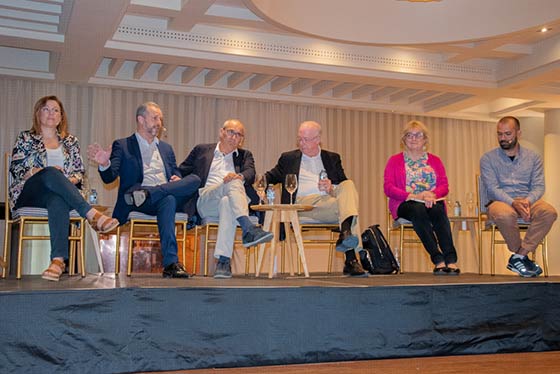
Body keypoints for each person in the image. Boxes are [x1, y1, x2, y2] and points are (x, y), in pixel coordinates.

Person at [8, 95, 119, 281]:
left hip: (58, 193)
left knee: (57, 198)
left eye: (55, 110)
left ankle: (58, 261)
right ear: (38, 114)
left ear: (61, 117)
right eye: (46, 109)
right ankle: (91, 214)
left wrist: (64, 180)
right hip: (30, 192)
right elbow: (17, 168)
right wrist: (42, 171)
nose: (51, 113)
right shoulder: (26, 138)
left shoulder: (71, 142)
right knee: (51, 173)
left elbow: (79, 173)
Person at [87, 102, 201, 278]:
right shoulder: (123, 145)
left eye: (160, 119)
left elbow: (174, 171)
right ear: (141, 119)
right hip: (136, 200)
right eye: (155, 118)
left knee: (194, 180)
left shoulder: (166, 148)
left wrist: (176, 178)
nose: (159, 122)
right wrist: (104, 164)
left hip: (156, 195)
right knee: (169, 198)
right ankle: (171, 263)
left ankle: (154, 193)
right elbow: (110, 177)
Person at [265, 120, 367, 276]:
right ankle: (353, 256)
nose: (301, 143)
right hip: (301, 206)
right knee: (349, 211)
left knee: (349, 186)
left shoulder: (332, 158)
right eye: (299, 139)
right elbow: (268, 177)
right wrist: (254, 183)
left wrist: (331, 187)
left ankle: (346, 234)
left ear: (318, 139)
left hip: (328, 204)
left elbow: (343, 188)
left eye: (306, 139)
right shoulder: (289, 158)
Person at [178, 119, 273, 279]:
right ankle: (247, 227)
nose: (234, 137)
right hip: (206, 200)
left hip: (231, 201)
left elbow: (250, 173)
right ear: (221, 132)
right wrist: (175, 177)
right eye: (231, 132)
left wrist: (238, 176)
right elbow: (182, 169)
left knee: (227, 201)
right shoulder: (202, 150)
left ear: (241, 140)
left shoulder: (245, 155)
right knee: (233, 184)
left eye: (239, 135)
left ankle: (223, 261)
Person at [480, 116, 557, 277]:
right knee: (505, 214)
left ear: (518, 133)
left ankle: (519, 256)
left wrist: (527, 201)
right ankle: (521, 257)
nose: (503, 138)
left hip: (528, 200)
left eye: (507, 134)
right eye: (499, 134)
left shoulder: (533, 157)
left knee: (549, 212)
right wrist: (513, 203)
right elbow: (493, 188)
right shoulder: (488, 158)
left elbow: (539, 186)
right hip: (500, 201)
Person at [384, 120, 460, 275]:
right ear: (404, 140)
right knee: (418, 209)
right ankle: (438, 259)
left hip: (431, 201)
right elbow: (388, 187)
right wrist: (413, 195)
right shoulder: (395, 160)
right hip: (405, 202)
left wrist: (432, 194)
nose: (413, 138)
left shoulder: (435, 160)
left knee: (438, 211)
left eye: (418, 135)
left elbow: (444, 186)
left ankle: (450, 259)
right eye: (409, 135)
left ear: (425, 139)